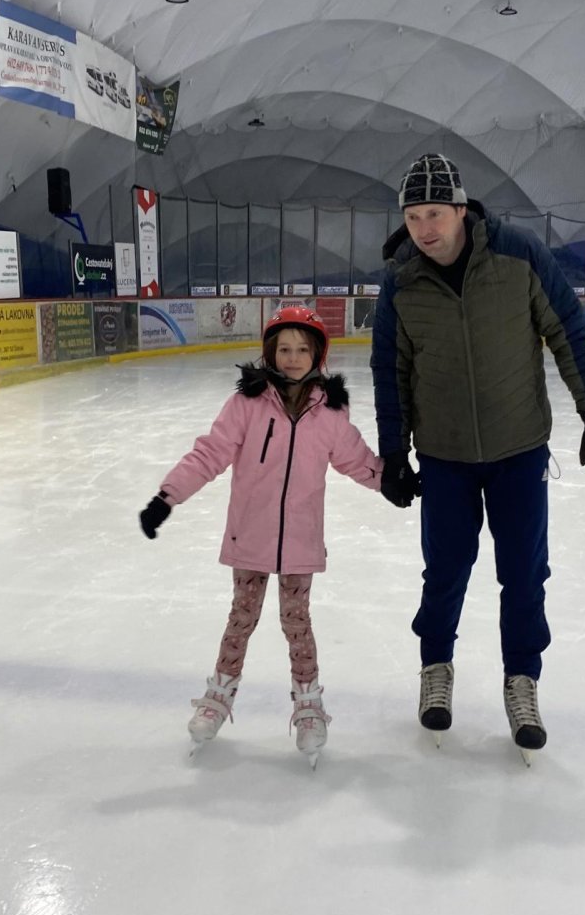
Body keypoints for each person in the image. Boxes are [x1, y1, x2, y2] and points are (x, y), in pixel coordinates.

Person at [371, 153, 585, 753]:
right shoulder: (402, 280)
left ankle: (522, 680)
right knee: (445, 570)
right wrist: (394, 452)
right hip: (445, 456)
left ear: (461, 210)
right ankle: (436, 669)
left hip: (518, 449)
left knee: (525, 574)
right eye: (413, 216)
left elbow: (566, 328)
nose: (424, 228)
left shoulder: (518, 255)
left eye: (435, 213)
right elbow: (389, 370)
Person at [139, 307, 406, 766]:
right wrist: (167, 497)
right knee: (241, 619)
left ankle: (308, 705)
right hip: (251, 536)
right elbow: (209, 454)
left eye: (302, 349)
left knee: (296, 623)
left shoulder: (330, 413)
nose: (293, 358)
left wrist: (390, 482)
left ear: (318, 354)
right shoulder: (247, 404)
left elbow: (356, 459)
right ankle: (218, 697)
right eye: (284, 349)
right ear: (270, 353)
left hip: (300, 541)